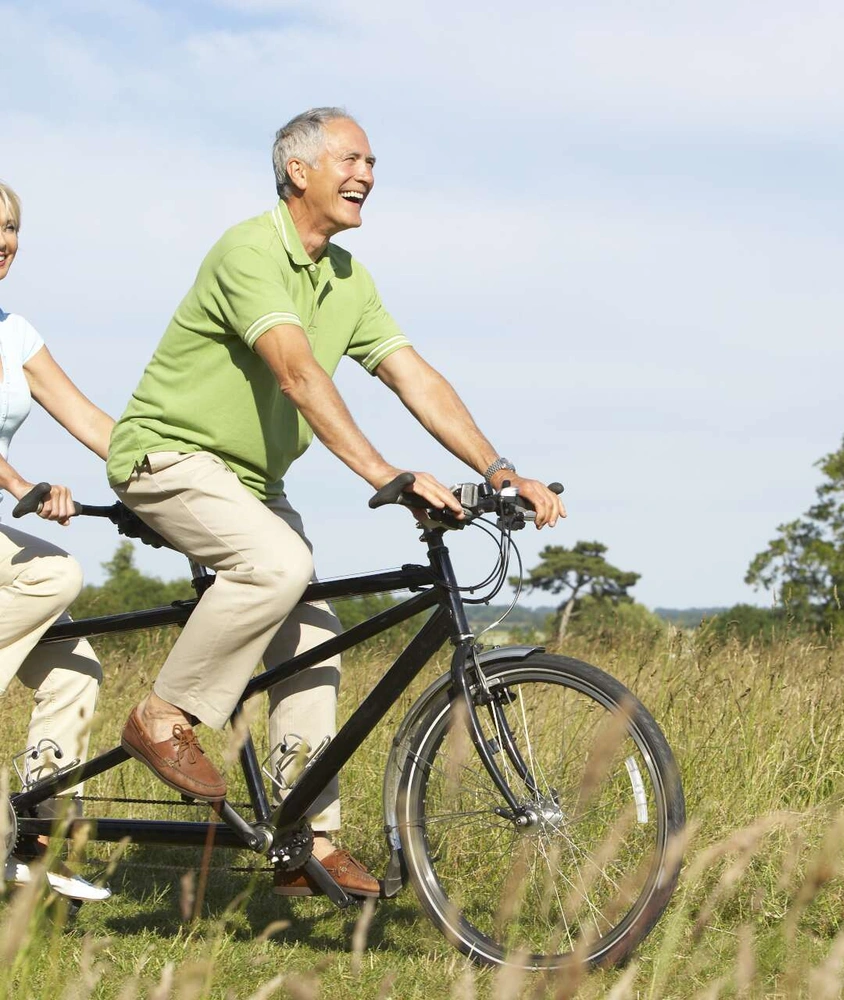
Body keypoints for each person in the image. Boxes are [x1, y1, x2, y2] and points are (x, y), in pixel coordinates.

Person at [107, 107, 566, 897]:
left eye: (373, 162)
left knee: (316, 635)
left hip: (255, 483)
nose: (368, 175)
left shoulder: (348, 278)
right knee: (277, 564)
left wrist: (497, 469)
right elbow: (296, 372)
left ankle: (303, 839)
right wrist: (385, 472)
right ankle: (161, 715)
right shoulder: (250, 249)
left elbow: (411, 375)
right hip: (168, 455)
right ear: (299, 171)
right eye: (351, 159)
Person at [0, 181, 115, 901]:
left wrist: (167, 470)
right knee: (54, 575)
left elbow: (86, 416)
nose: (2, 241)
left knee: (77, 670)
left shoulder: (15, 331)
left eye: (10, 227)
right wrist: (21, 488)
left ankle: (29, 837)